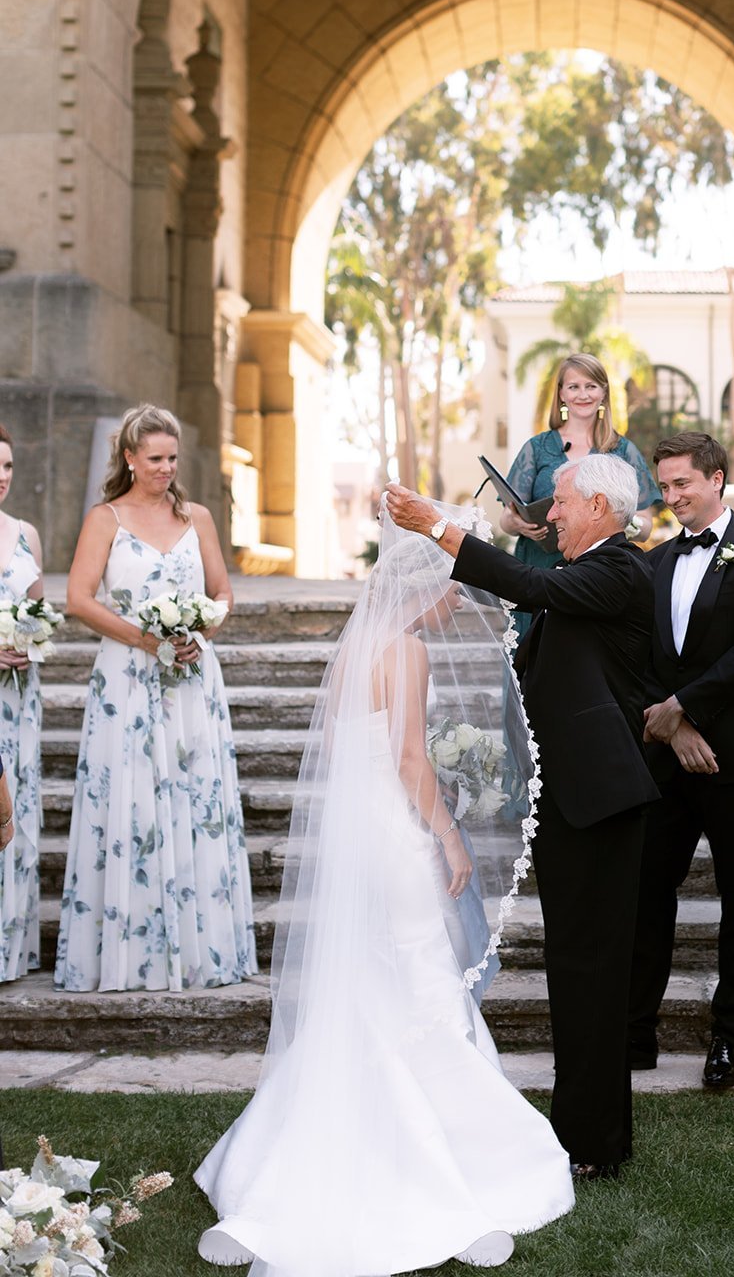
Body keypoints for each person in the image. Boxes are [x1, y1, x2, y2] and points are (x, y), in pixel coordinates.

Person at [197, 506, 574, 1274]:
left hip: (358, 835)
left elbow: (348, 753)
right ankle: (454, 1157)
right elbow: (408, 761)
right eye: (453, 584)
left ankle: (310, 1146)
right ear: (427, 584)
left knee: (369, 983)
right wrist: (445, 831)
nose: (458, 597)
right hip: (397, 836)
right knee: (422, 981)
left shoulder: (353, 653)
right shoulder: (405, 652)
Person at [387, 454, 659, 1180]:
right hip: (571, 801)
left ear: (600, 506)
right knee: (575, 974)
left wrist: (440, 527)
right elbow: (524, 597)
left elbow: (530, 583)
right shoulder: (583, 577)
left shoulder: (621, 568)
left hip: (600, 803)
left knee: (593, 977)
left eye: (562, 503)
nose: (551, 516)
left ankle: (593, 1145)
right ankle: (582, 1135)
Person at [53, 404, 256, 993]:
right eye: (155, 459)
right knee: (134, 801)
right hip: (126, 680)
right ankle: (130, 951)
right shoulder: (105, 518)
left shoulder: (197, 518)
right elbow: (79, 598)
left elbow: (221, 591)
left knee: (194, 800)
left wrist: (199, 632)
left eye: (172, 458)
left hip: (192, 681)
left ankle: (200, 950)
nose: (166, 468)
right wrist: (148, 640)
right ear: (129, 459)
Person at [627, 431, 734, 1091]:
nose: (671, 499)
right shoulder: (653, 563)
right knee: (646, 893)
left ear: (716, 479)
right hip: (667, 760)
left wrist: (689, 713)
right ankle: (635, 1031)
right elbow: (640, 659)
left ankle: (728, 1040)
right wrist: (672, 731)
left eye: (681, 485)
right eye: (663, 487)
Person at [500, 354, 659, 637]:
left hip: (599, 573)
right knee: (534, 651)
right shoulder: (536, 448)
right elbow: (506, 519)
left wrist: (627, 523)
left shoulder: (623, 450)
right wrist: (519, 524)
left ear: (604, 392)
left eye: (591, 386)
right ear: (561, 393)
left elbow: (646, 526)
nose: (583, 394)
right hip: (540, 566)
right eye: (574, 387)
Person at [0, 424, 45, 978]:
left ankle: (10, 949)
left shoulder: (25, 535)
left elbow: (40, 613)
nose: (2, 477)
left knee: (17, 815)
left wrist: (29, 642)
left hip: (18, 698)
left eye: (8, 467)